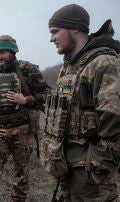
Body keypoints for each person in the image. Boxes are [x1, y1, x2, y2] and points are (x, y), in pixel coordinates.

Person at [45, 4, 120, 201]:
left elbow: (115, 119)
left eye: (55, 31)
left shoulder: (103, 62)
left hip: (91, 174)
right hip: (69, 168)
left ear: (75, 28)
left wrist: (100, 169)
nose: (51, 38)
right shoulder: (70, 66)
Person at [0, 35, 49, 202]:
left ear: (12, 51)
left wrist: (25, 100)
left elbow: (46, 94)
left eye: (2, 52)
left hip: (22, 130)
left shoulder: (28, 69)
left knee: (21, 174)